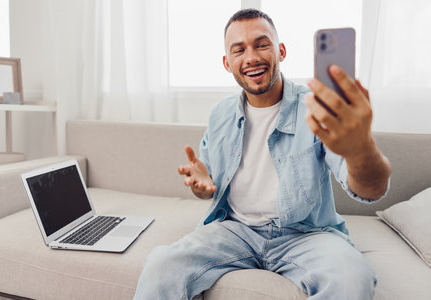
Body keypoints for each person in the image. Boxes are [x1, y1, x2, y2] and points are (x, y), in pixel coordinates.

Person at [134, 8, 391, 300]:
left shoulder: (315, 110)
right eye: (239, 49)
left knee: (353, 278)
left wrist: (362, 150)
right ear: (227, 63)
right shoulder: (220, 114)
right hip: (234, 231)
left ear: (280, 51)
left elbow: (371, 190)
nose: (251, 57)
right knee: (160, 266)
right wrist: (203, 188)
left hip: (305, 235)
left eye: (261, 44)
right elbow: (210, 187)